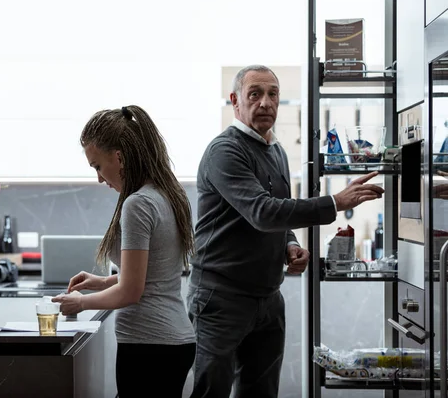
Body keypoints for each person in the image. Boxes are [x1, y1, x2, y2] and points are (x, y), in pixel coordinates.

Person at [187, 65, 385, 398]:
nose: (265, 102)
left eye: (272, 94)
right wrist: (335, 201)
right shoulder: (225, 151)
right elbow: (263, 213)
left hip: (268, 297)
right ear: (235, 101)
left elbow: (278, 212)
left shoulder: (276, 150)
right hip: (221, 299)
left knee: (262, 392)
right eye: (255, 94)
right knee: (212, 392)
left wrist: (290, 245)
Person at [53, 105, 196, 398]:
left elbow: (131, 292)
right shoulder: (167, 193)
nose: (99, 178)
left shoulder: (138, 204)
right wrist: (102, 281)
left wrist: (79, 303)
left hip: (150, 345)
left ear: (118, 157)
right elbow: (154, 272)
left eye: (97, 166)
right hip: (173, 341)